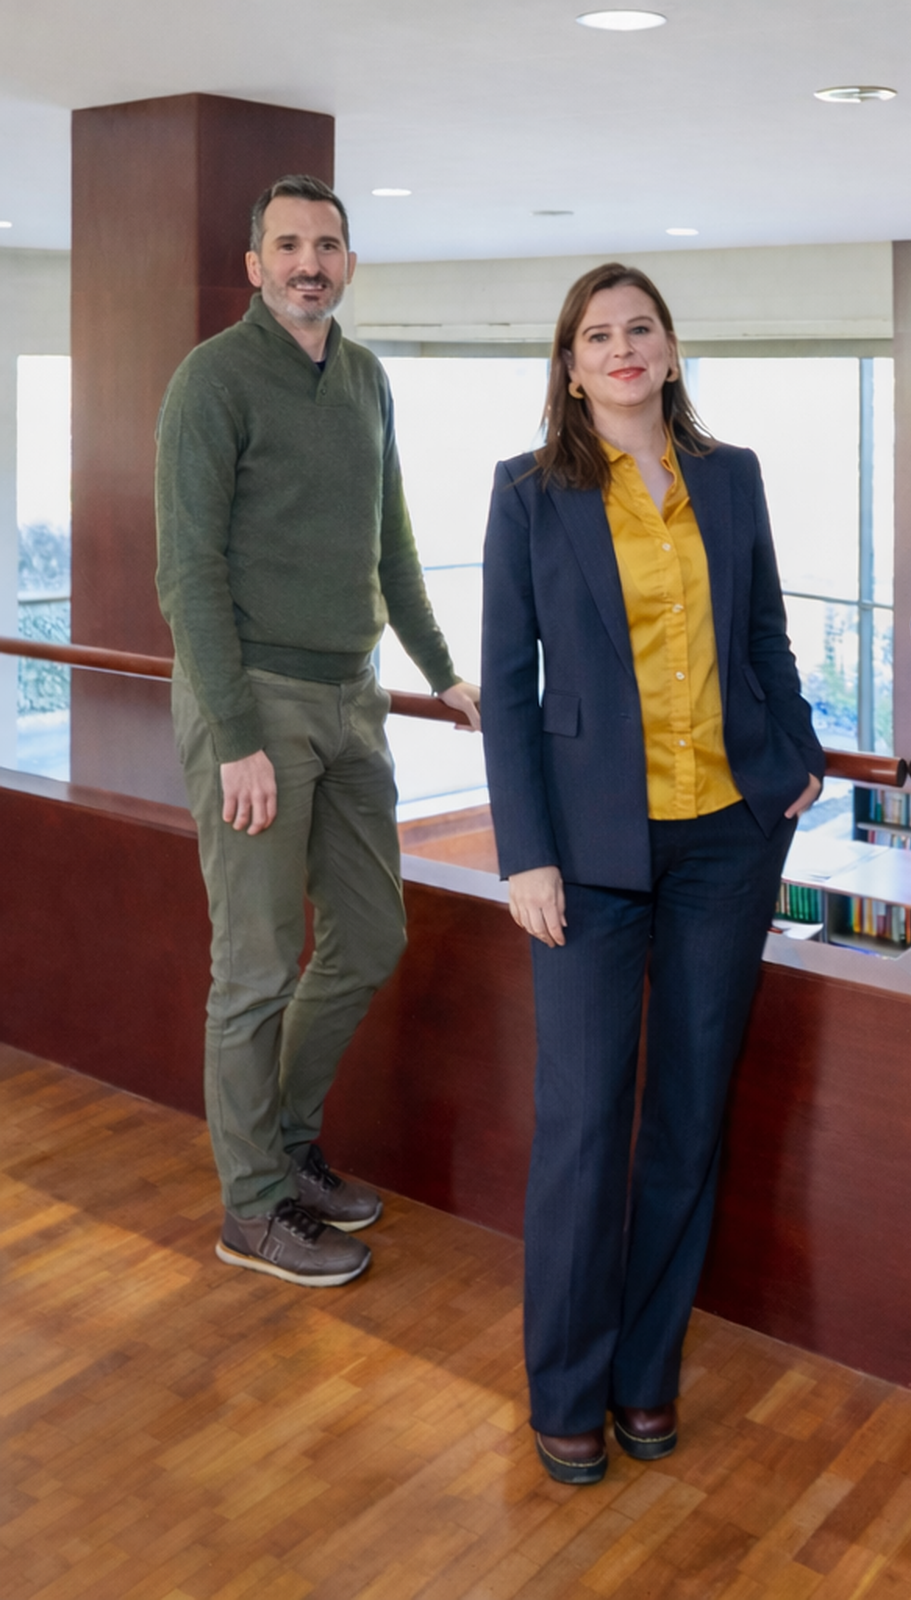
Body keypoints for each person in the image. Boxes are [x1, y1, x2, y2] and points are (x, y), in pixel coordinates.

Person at [479, 263, 824, 1485]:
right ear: (569, 367)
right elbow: (508, 691)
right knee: (582, 1124)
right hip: (584, 854)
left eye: (641, 329)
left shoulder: (731, 478)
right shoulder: (527, 495)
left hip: (726, 834)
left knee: (686, 1114)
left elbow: (766, 630)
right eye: (596, 335)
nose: (622, 349)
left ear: (672, 351)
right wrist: (522, 850)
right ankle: (564, 1388)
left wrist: (796, 758)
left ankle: (645, 1376)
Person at [155, 174, 481, 1289]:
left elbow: (391, 539)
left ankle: (287, 1148)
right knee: (253, 968)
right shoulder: (211, 380)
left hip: (357, 698)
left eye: (327, 244)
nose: (309, 261)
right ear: (254, 265)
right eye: (287, 245)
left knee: (370, 935)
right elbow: (186, 571)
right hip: (248, 702)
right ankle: (249, 1209)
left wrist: (443, 673)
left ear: (348, 262)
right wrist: (236, 732)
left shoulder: (366, 378)